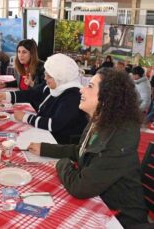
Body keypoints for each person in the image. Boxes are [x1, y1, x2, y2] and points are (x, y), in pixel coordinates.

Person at [27, 68, 148, 228]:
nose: (81, 89)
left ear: (107, 98)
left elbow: (80, 187)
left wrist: (60, 163)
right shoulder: (100, 121)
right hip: (101, 205)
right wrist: (45, 149)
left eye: (90, 86)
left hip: (122, 220)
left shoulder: (120, 137)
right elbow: (80, 151)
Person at [0, 53, 88, 144]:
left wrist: (25, 117)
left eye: (48, 76)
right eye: (46, 74)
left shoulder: (73, 97)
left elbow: (54, 124)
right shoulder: (54, 84)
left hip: (60, 143)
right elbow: (33, 93)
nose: (45, 78)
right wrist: (5, 95)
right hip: (46, 134)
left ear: (60, 78)